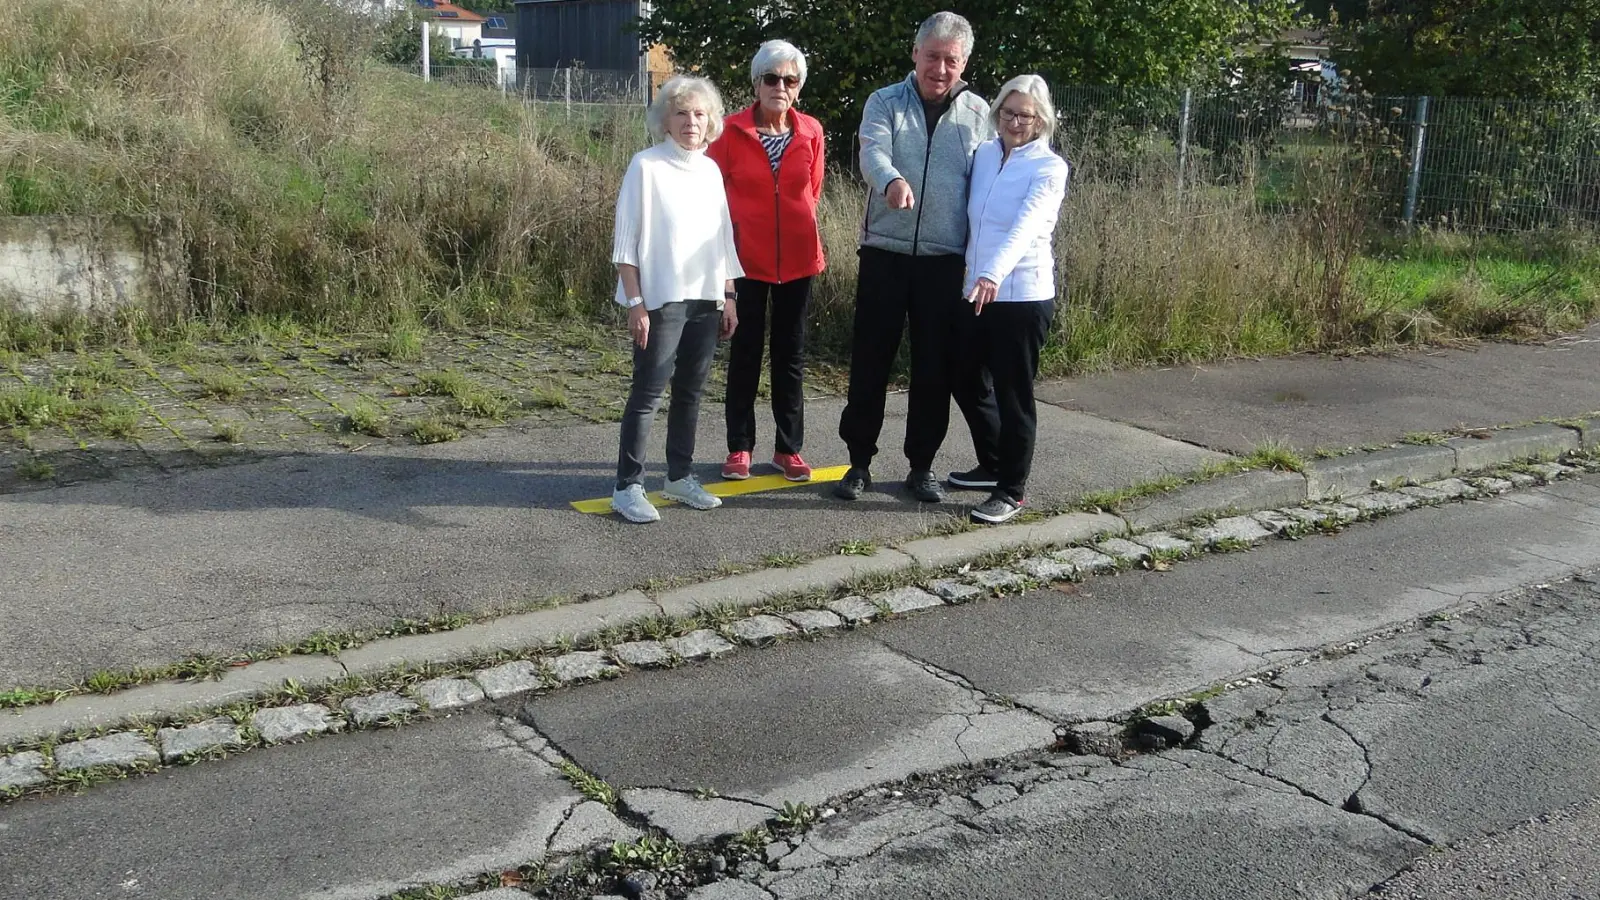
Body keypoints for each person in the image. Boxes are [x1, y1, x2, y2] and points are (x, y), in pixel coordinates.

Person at [834, 11, 991, 504]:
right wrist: (892, 182)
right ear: (914, 54)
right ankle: (858, 462)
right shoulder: (884, 102)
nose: (939, 68)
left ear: (963, 62)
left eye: (951, 60)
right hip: (885, 253)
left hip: (946, 261)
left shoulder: (981, 114)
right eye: (932, 57)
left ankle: (920, 466)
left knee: (933, 369)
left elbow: (988, 187)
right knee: (870, 362)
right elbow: (871, 151)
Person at [609, 75, 743, 524]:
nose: (691, 121)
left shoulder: (709, 170)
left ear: (711, 123)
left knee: (691, 390)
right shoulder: (645, 166)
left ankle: (679, 476)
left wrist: (729, 296)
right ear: (665, 119)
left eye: (699, 114)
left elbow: (723, 241)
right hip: (661, 299)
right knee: (648, 391)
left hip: (705, 297)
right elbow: (625, 245)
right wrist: (635, 303)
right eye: (681, 112)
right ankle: (627, 486)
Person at [949, 74, 1070, 524]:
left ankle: (1011, 489)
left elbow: (1025, 226)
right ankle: (993, 462)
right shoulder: (983, 155)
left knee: (1014, 394)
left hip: (1021, 296)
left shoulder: (1048, 168)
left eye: (1026, 115)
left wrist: (991, 274)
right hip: (976, 290)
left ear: (1041, 120)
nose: (1015, 122)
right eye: (1008, 112)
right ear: (997, 112)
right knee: (963, 376)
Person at [707, 39, 826, 484]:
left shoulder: (812, 130)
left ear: (798, 88)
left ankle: (787, 449)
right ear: (756, 83)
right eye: (771, 78)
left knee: (790, 355)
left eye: (789, 80)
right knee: (745, 353)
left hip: (798, 260)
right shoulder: (729, 131)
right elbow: (712, 199)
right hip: (746, 262)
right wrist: (724, 272)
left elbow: (811, 192)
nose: (780, 86)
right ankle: (739, 447)